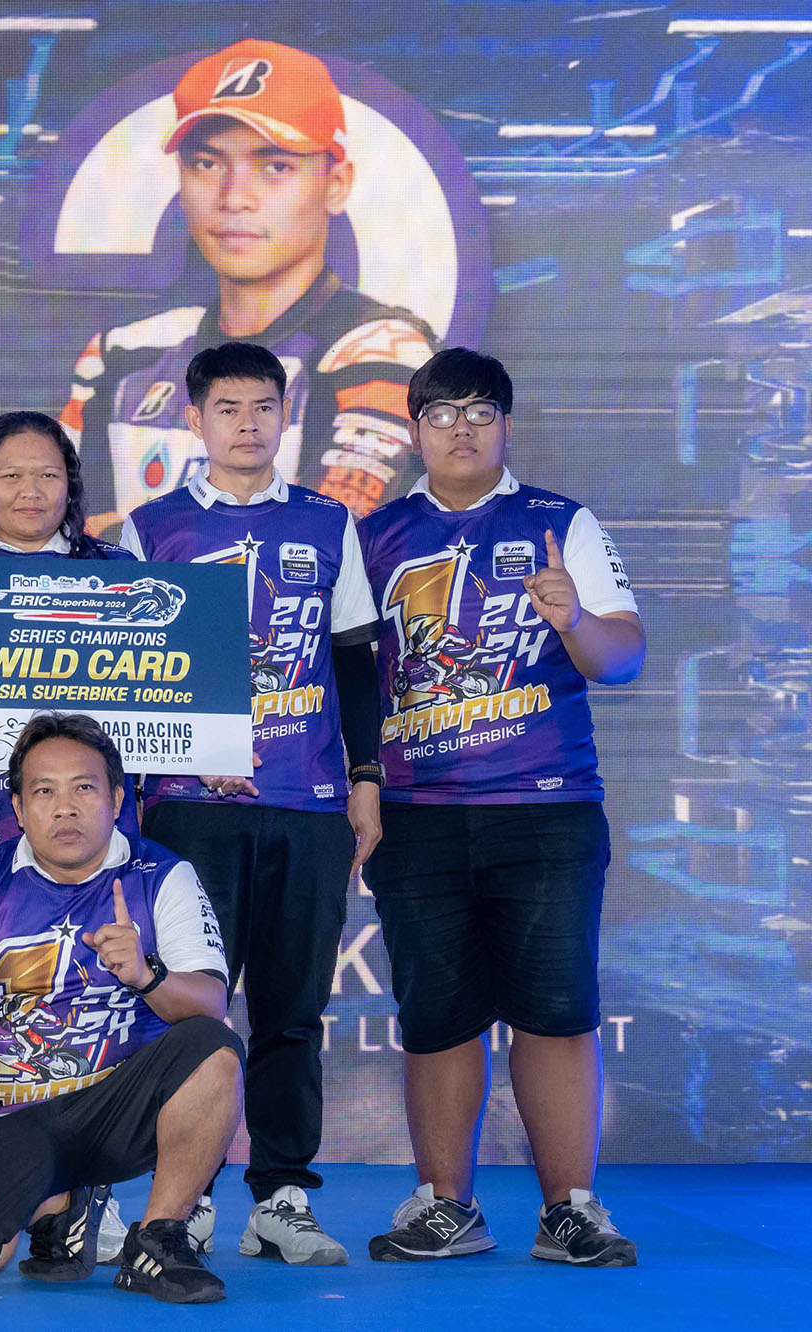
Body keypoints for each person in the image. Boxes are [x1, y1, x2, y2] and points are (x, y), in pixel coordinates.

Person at [358, 349, 644, 1266]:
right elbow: (344, 677)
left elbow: (624, 657)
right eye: (442, 413)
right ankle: (446, 1207)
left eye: (480, 411)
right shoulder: (372, 536)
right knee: (437, 1014)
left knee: (555, 1009)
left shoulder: (561, 522)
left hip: (547, 807)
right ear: (415, 430)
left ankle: (572, 1211)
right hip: (417, 812)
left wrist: (574, 619)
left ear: (506, 425)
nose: (462, 429)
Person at [119, 341, 382, 1265]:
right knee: (194, 1009)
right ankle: (184, 1199)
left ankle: (281, 1195)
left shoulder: (328, 522)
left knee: (292, 1011)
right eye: (227, 408)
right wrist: (183, 759)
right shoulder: (150, 530)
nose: (247, 424)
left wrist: (365, 779)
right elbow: (128, 680)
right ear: (194, 419)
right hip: (191, 811)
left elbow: (354, 659)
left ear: (286, 415)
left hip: (307, 804)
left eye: (264, 407)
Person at [0, 713, 244, 1303]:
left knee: (214, 1048)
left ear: (116, 799)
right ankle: (57, 1205)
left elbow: (210, 1002)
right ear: (18, 806)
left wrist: (148, 975)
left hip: (113, 1108)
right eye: (44, 791)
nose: (65, 808)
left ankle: (158, 1236)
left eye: (84, 788)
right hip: (6, 1119)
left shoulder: (164, 875)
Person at [61, 38, 438, 527]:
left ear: (336, 184)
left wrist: (125, 534)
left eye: (275, 166)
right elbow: (47, 536)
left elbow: (315, 541)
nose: (234, 197)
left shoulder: (381, 352)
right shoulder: (121, 354)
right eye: (207, 164)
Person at [0, 410, 139, 884]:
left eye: (48, 476)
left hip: (98, 826)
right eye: (12, 476)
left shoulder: (122, 573)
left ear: (71, 486)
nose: (31, 491)